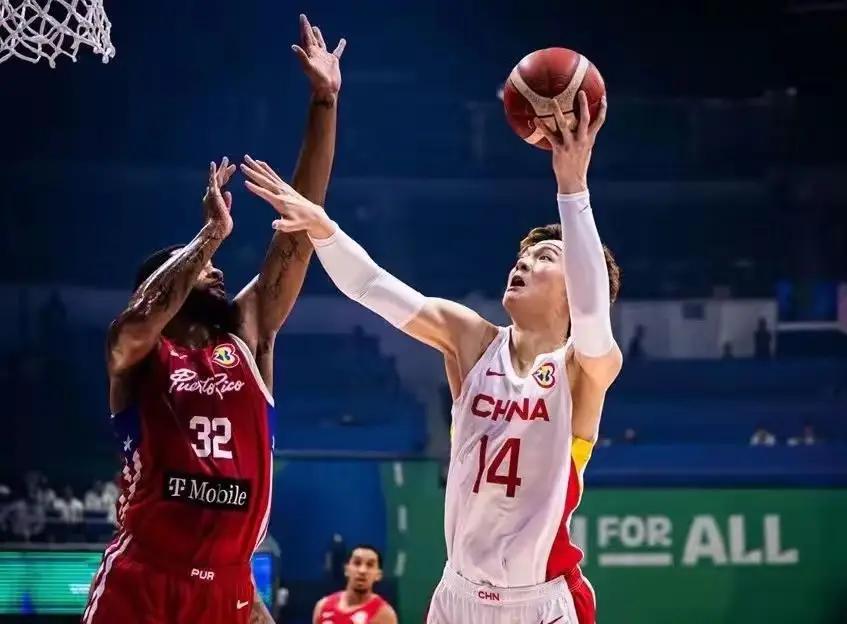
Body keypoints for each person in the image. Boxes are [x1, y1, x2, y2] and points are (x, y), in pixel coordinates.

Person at [249, 92, 616, 624]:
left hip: (540, 602)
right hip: (457, 595)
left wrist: (572, 186)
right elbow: (374, 286)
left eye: (544, 257)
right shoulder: (472, 341)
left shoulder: (585, 369)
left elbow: (593, 312)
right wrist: (323, 229)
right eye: (522, 255)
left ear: (576, 287)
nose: (522, 263)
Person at [82, 15, 346, 624]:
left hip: (228, 581)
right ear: (165, 284)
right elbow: (138, 321)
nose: (217, 269)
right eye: (202, 267)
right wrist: (206, 237)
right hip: (145, 575)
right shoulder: (137, 352)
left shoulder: (247, 334)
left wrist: (325, 102)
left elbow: (298, 233)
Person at [313, 545, 397, 624]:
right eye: (357, 563)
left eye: (370, 565)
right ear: (346, 570)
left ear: (378, 575)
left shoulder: (384, 614)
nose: (362, 571)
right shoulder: (322, 606)